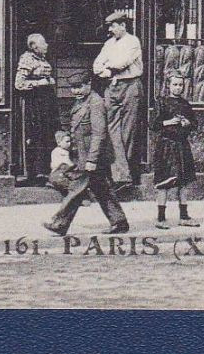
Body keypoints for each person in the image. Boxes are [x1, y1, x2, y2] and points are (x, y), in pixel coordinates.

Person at [44, 75, 129, 236]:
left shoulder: (96, 102)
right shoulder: (81, 102)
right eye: (73, 87)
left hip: (93, 157)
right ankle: (119, 222)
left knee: (77, 189)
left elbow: (99, 134)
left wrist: (92, 159)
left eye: (80, 87)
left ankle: (60, 223)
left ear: (89, 84)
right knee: (101, 188)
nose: (76, 91)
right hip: (83, 155)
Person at [92, 10, 144, 190]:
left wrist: (108, 68)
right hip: (112, 87)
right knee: (112, 129)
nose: (111, 29)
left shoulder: (133, 41)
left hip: (130, 86)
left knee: (127, 131)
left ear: (123, 25)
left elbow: (123, 62)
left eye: (114, 26)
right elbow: (96, 65)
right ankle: (121, 175)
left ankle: (122, 175)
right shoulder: (108, 43)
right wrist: (105, 69)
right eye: (110, 26)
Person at [150, 71, 198, 228]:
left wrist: (187, 123)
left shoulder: (185, 104)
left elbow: (195, 124)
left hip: (182, 146)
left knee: (183, 182)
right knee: (163, 183)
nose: (178, 88)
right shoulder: (161, 102)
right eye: (175, 84)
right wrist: (169, 121)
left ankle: (184, 217)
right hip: (166, 146)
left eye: (180, 85)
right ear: (168, 85)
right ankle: (161, 218)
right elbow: (154, 125)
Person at [14, 32, 58, 186]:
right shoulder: (27, 58)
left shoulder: (42, 58)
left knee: (45, 134)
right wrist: (41, 83)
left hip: (45, 102)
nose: (46, 45)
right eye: (43, 42)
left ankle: (42, 171)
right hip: (33, 103)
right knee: (34, 135)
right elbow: (19, 84)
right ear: (33, 46)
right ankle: (31, 173)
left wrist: (48, 81)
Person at [48, 130, 76, 195]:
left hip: (61, 173)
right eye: (67, 142)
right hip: (57, 174)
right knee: (69, 182)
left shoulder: (64, 151)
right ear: (59, 142)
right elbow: (67, 163)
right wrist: (73, 165)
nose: (69, 143)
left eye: (70, 141)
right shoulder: (60, 151)